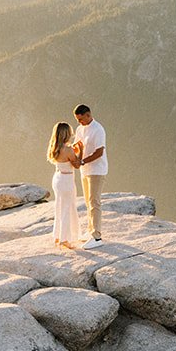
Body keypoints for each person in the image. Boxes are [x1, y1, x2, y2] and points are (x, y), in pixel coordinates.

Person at [73, 104, 108, 248]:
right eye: (77, 120)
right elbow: (77, 147)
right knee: (88, 202)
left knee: (94, 202)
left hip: (97, 170)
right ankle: (90, 230)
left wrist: (82, 161)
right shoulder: (80, 129)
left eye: (81, 119)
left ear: (88, 115)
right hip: (85, 170)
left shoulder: (98, 129)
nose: (79, 122)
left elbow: (99, 152)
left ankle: (97, 237)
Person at [46, 121, 82, 247]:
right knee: (68, 207)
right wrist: (81, 151)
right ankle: (65, 239)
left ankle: (58, 236)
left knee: (59, 207)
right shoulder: (68, 150)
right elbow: (77, 164)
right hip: (67, 180)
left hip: (57, 178)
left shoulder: (54, 148)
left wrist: (73, 150)